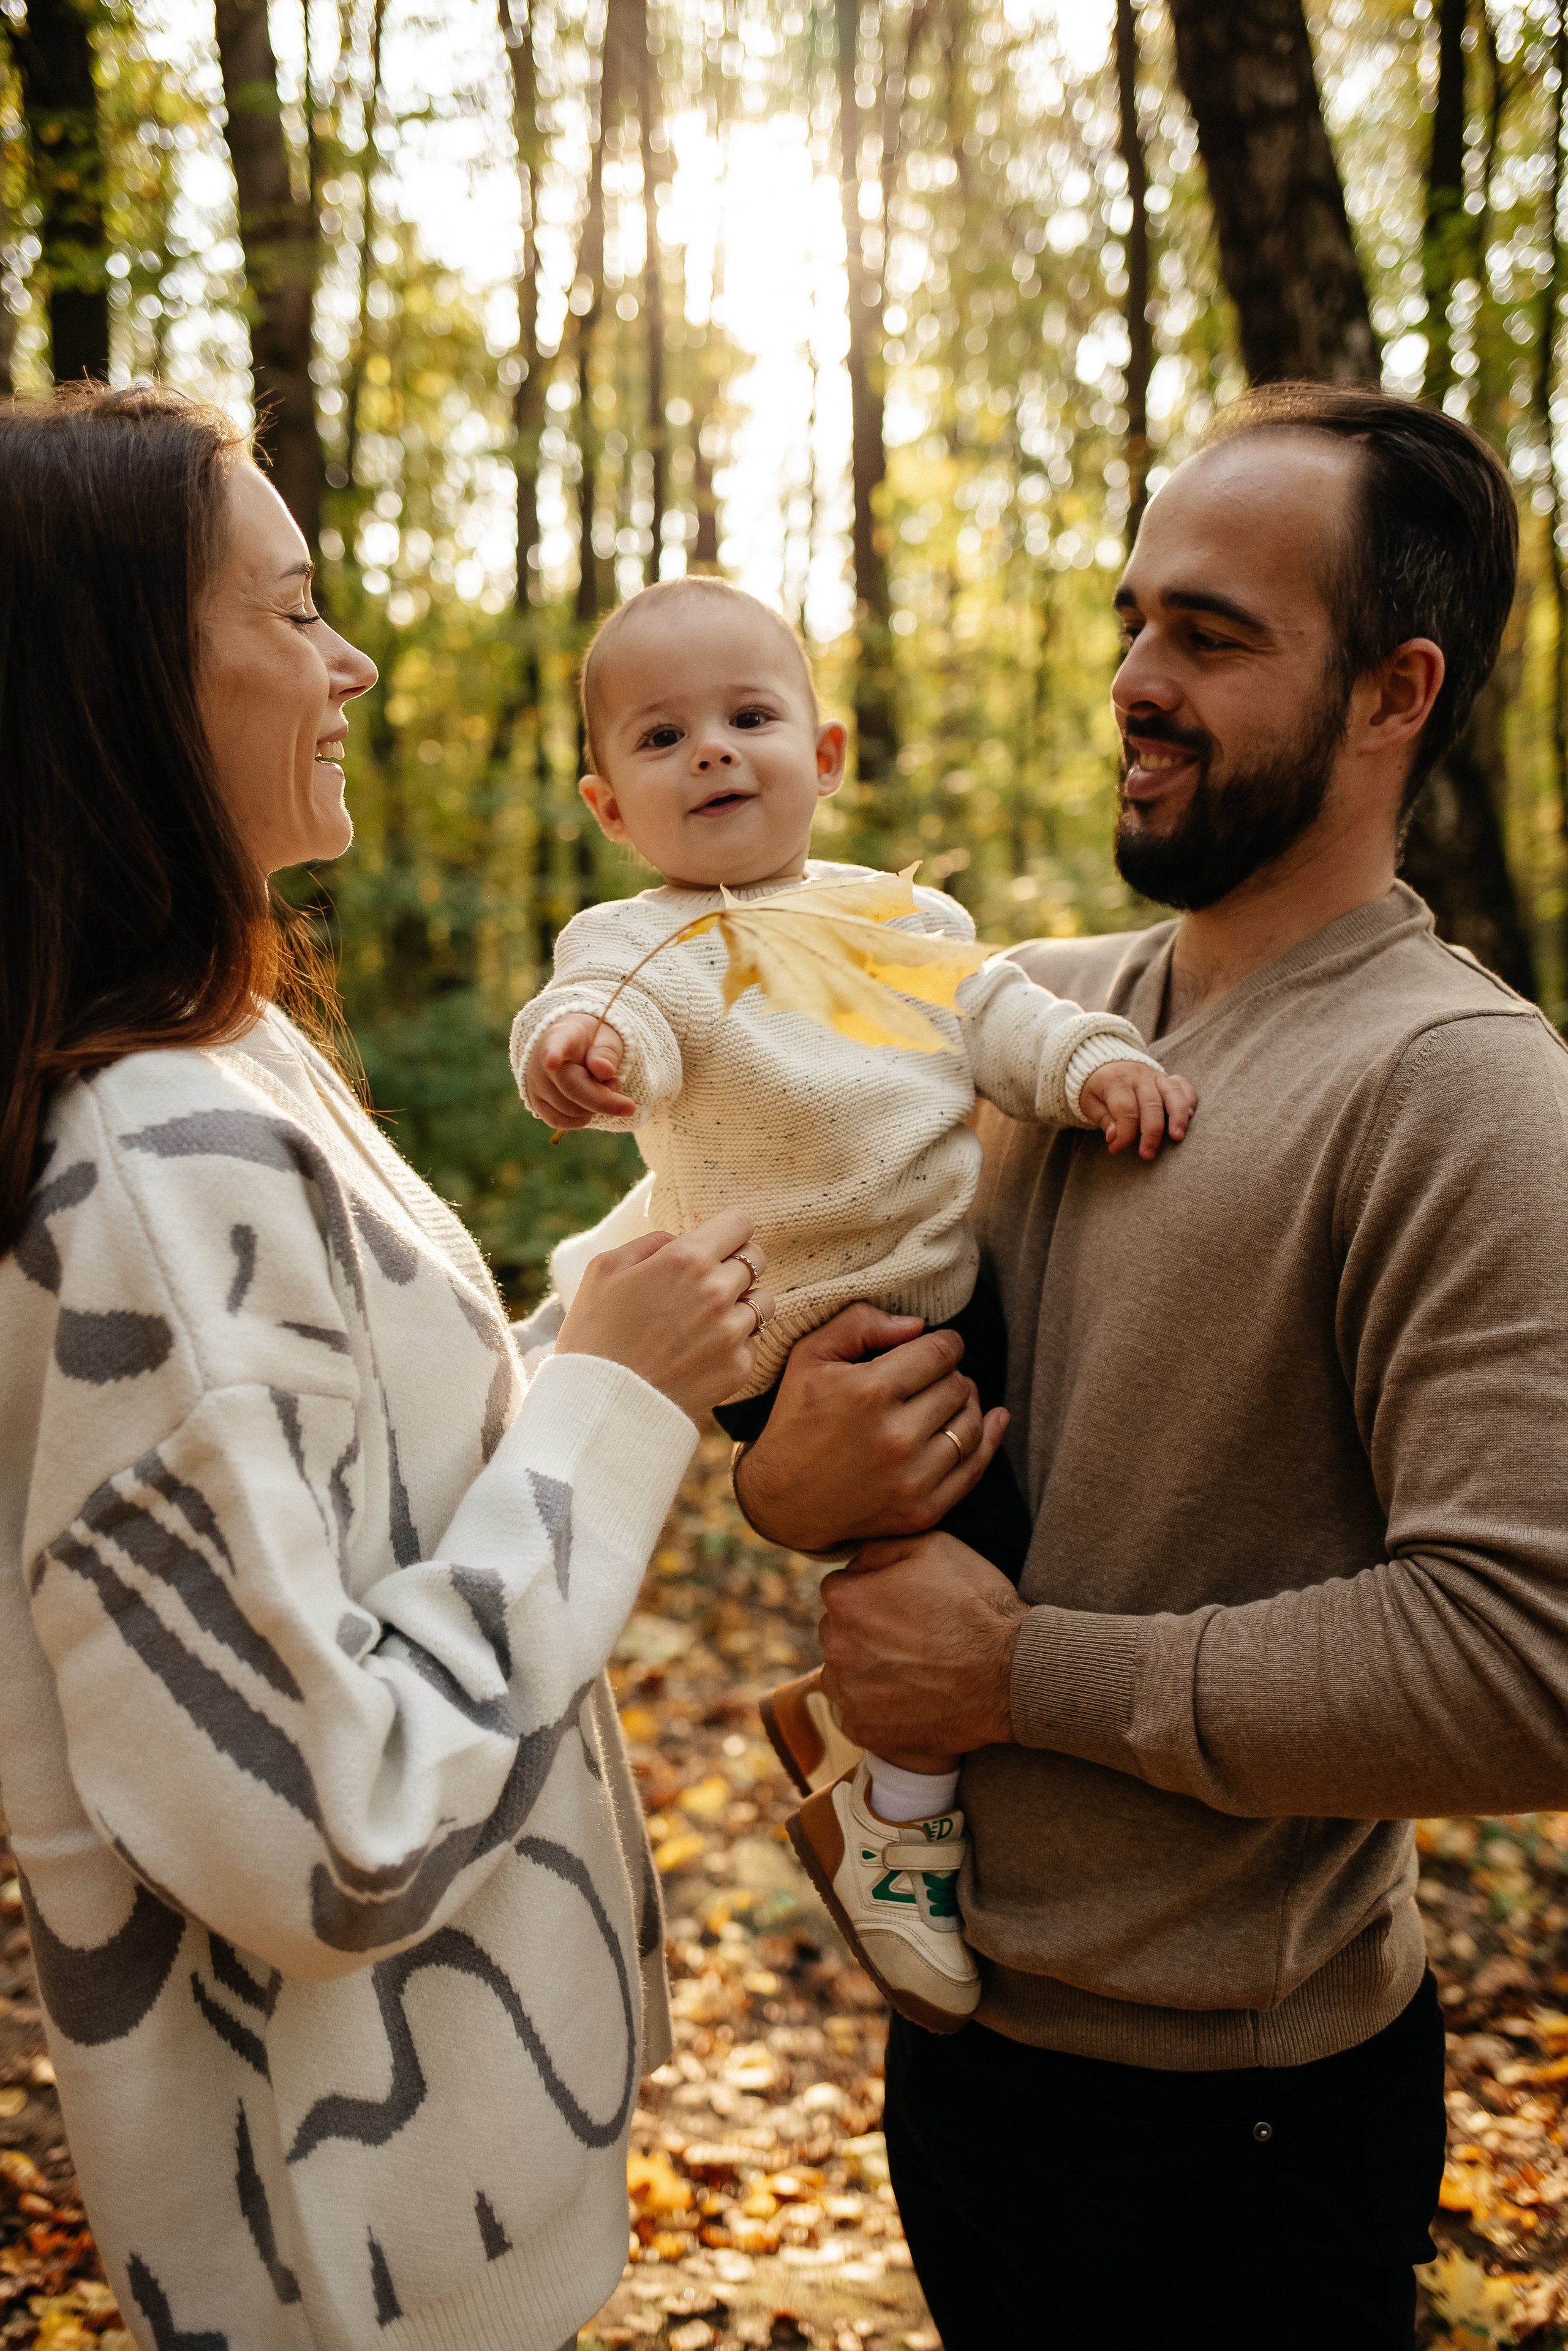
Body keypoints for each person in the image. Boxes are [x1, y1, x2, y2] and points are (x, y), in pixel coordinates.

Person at [724, 384, 1568, 2349]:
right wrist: (788, 1478)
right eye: (1134, 620)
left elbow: (1529, 1663)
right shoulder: (1024, 1014)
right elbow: (827, 1407)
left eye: (1212, 635)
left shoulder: (1461, 1093)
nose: (1134, 677)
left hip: (1240, 2124)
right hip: (957, 2038)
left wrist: (1020, 1677)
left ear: (1393, 692)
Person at [0, 383, 777, 2351]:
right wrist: (617, 1399)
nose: (349, 663)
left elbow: (365, 1501)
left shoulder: (228, 1059)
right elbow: (332, 1825)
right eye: (294, 609)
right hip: (336, 2271)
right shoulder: (151, 1158)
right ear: (122, 679)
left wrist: (623, 1336)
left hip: (429, 2225)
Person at [508, 576, 1195, 2032]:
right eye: (661, 736)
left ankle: (872, 1733)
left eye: (747, 718)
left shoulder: (903, 916)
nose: (710, 752)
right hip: (794, 1328)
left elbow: (999, 1017)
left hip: (947, 1298)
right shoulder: (645, 943)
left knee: (1025, 1536)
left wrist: (1093, 1069)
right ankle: (898, 1821)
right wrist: (573, 1051)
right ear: (608, 804)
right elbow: (593, 1015)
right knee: (933, 1559)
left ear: (821, 757)